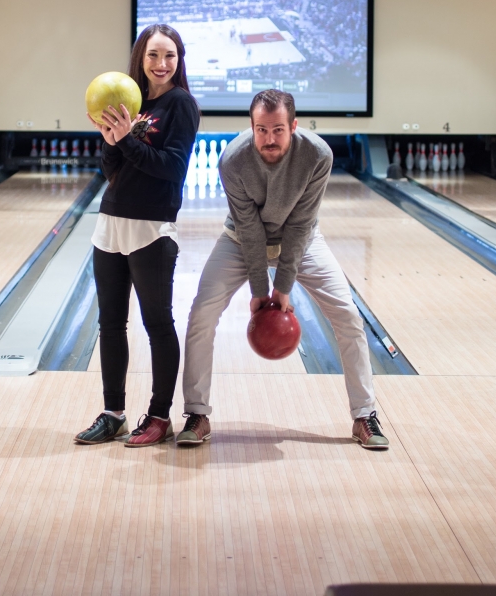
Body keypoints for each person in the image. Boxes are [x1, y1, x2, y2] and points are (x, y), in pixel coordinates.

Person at [176, 89, 389, 450]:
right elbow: (248, 228)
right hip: (241, 239)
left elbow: (300, 226)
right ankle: (197, 413)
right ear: (251, 126)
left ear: (293, 126)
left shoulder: (318, 155)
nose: (269, 139)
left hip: (302, 238)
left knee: (348, 316)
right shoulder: (233, 160)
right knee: (201, 313)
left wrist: (282, 289)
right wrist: (261, 292)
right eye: (261, 130)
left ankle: (364, 415)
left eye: (277, 130)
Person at [75, 24, 199, 448]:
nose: (161, 64)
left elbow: (171, 167)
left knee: (157, 324)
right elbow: (113, 170)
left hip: (151, 227)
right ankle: (114, 414)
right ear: (140, 59)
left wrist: (126, 139)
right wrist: (111, 139)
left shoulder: (181, 104)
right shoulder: (130, 100)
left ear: (179, 61)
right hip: (110, 224)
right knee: (110, 324)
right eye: (153, 55)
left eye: (169, 55)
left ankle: (160, 415)